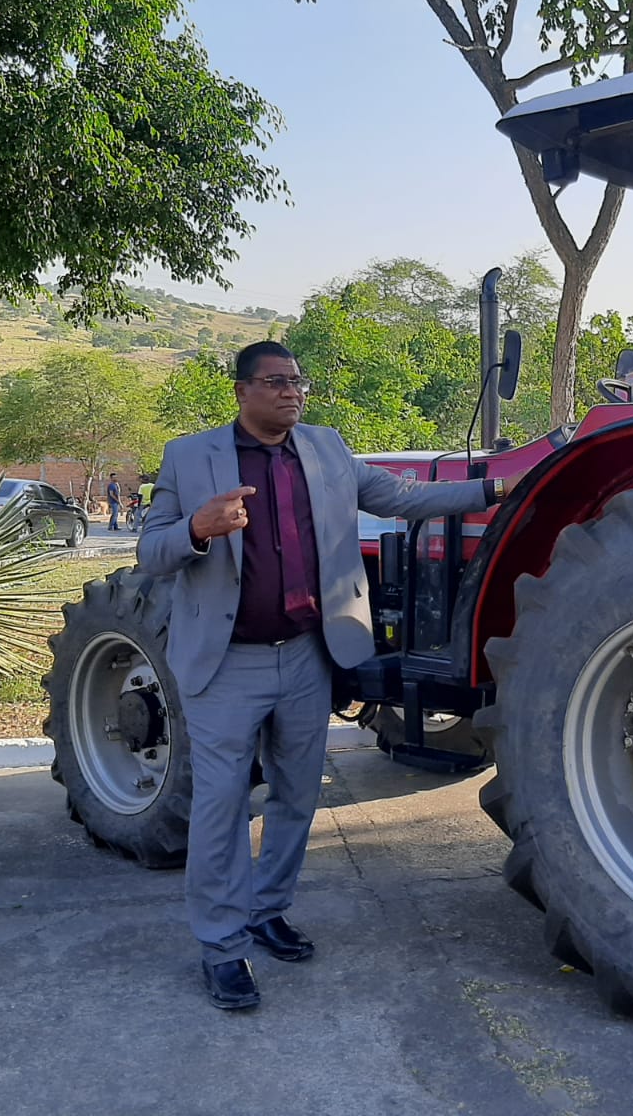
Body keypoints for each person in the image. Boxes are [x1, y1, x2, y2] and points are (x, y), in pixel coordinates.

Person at [138, 340, 512, 1012]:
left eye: (297, 381)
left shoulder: (327, 448)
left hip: (308, 656)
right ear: (241, 391)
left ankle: (267, 910)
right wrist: (197, 528)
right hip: (227, 664)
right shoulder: (190, 457)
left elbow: (404, 497)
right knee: (221, 807)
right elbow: (149, 550)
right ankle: (222, 947)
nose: (292, 392)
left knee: (296, 797)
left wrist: (495, 488)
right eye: (276, 382)